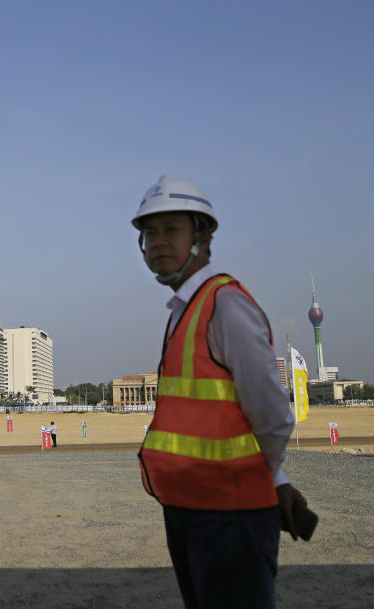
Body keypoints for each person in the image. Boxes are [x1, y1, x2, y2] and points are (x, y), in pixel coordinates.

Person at [132, 175, 309, 609]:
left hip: (230, 517)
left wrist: (270, 478)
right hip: (188, 510)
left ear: (203, 235)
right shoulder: (182, 310)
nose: (157, 242)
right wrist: (278, 478)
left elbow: (271, 412)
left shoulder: (226, 305)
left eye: (171, 229)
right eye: (149, 233)